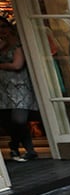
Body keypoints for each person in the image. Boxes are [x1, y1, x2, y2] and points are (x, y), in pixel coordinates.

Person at [0, 18, 39, 162]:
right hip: (3, 89)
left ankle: (23, 147)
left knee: (19, 119)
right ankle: (18, 148)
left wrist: (2, 66)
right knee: (7, 121)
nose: (2, 30)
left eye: (4, 26)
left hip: (19, 88)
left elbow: (17, 65)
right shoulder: (2, 45)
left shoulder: (18, 44)